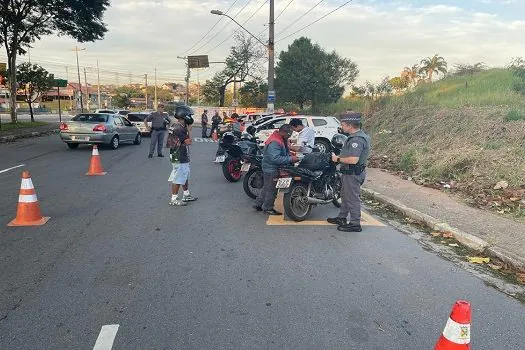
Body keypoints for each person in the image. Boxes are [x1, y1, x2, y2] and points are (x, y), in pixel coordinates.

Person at [327, 112, 371, 232]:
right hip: (349, 173)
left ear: (350, 125)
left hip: (353, 173)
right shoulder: (358, 136)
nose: (341, 127)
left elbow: (353, 159)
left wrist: (338, 159)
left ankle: (355, 224)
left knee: (352, 199)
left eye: (343, 125)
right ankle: (342, 217)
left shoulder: (357, 139)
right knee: (345, 196)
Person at [254, 124, 299, 215]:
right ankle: (268, 208)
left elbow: (282, 151)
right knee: (272, 189)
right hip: (271, 168)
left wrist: (289, 154)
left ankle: (258, 204)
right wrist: (291, 159)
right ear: (283, 132)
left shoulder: (280, 138)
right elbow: (275, 158)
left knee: (267, 187)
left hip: (269, 166)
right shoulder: (275, 142)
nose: (289, 136)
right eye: (289, 134)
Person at [168, 105, 197, 206]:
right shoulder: (179, 128)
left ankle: (186, 194)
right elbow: (189, 142)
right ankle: (174, 198)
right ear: (184, 115)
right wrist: (189, 130)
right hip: (179, 155)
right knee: (179, 177)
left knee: (184, 175)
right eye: (188, 115)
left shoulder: (175, 125)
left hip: (176, 153)